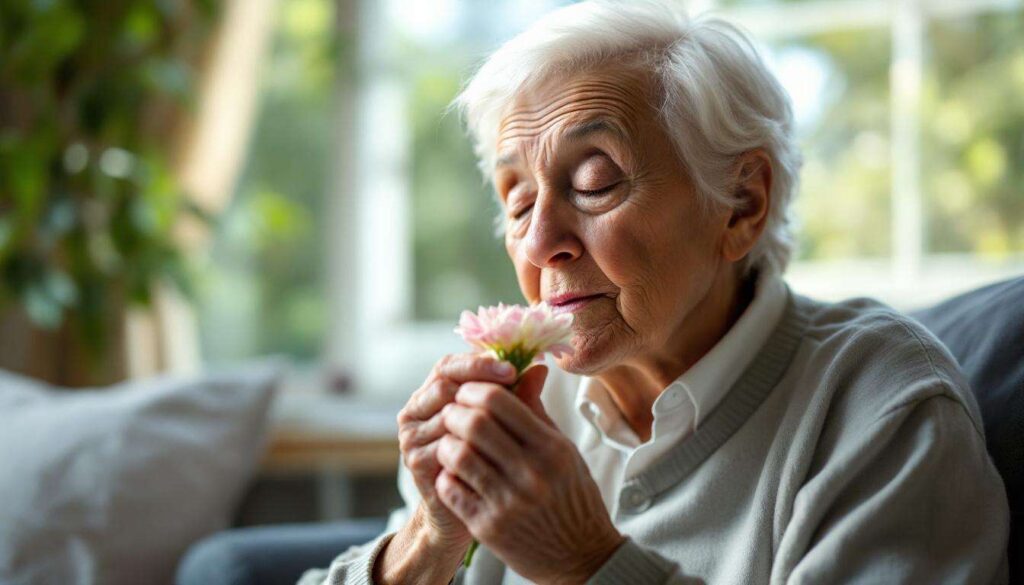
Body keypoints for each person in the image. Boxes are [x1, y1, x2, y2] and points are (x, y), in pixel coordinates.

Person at [299, 1, 1010, 583]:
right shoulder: (519, 400)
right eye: (518, 201)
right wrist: (427, 541)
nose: (540, 242)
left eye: (594, 183)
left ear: (741, 205)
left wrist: (588, 563)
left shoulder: (879, 405)